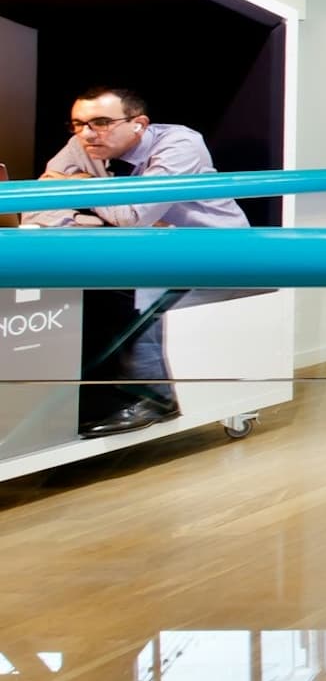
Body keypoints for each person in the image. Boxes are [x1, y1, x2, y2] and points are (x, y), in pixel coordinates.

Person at [22, 87, 248, 437]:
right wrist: (99, 214)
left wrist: (81, 187)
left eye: (100, 122)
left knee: (121, 289)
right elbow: (40, 209)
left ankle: (152, 398)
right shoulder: (81, 146)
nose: (86, 133)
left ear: (139, 124)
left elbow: (132, 216)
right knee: (74, 283)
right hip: (145, 249)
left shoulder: (179, 143)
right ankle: (81, 398)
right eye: (78, 124)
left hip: (214, 251)